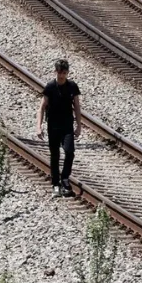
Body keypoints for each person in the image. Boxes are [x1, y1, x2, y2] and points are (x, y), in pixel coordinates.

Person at [36, 58, 82, 197]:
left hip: (67, 125)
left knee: (69, 152)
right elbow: (42, 107)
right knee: (55, 155)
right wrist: (39, 126)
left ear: (67, 73)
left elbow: (77, 107)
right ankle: (55, 184)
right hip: (53, 126)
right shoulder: (50, 87)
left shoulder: (72, 86)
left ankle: (65, 178)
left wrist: (79, 126)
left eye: (64, 72)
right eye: (59, 72)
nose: (61, 75)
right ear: (55, 72)